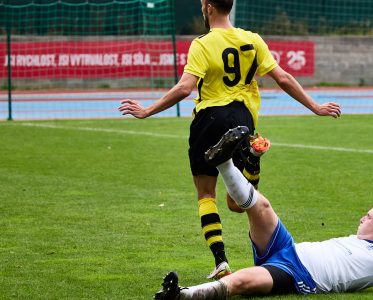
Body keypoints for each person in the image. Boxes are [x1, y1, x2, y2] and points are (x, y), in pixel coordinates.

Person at [118, 0, 341, 279]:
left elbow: (185, 88)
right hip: (243, 119)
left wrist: (148, 110)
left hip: (210, 118)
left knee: (206, 195)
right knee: (238, 203)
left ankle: (221, 261)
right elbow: (282, 78)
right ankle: (253, 160)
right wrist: (316, 107)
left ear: (209, 7)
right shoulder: (252, 39)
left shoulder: (202, 43)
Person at [153, 126, 373, 300]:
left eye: (368, 217)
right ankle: (224, 162)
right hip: (286, 249)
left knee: (241, 281)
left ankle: (182, 295)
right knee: (262, 206)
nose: (362, 218)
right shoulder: (358, 242)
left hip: (295, 274)